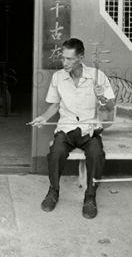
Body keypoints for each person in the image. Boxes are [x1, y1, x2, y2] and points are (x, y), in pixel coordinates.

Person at [29, 38, 115, 219]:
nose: (65, 63)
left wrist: (102, 98)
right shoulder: (58, 77)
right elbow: (54, 105)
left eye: (70, 59)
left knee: (96, 154)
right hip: (66, 128)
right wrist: (43, 118)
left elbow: (109, 108)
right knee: (56, 153)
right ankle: (53, 191)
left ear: (81, 57)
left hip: (89, 129)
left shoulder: (98, 76)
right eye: (63, 58)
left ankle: (90, 197)